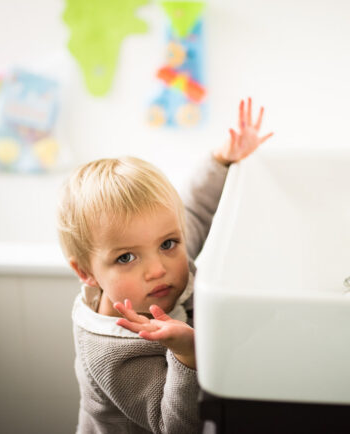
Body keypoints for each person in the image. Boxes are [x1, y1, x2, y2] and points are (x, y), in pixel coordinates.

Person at [57, 98, 273, 434]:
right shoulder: (111, 349)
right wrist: (187, 354)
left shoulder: (166, 261)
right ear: (86, 272)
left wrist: (222, 160)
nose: (158, 268)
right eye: (126, 258)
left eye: (168, 244)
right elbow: (173, 427)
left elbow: (196, 209)